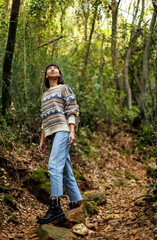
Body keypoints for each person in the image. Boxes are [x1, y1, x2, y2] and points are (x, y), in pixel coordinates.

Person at [37, 63, 83, 224]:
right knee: (64, 167)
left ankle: (55, 207)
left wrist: (71, 131)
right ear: (46, 75)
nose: (52, 69)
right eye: (49, 68)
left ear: (59, 73)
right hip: (52, 133)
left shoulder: (65, 88)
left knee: (54, 166)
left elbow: (72, 109)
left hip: (63, 130)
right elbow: (44, 120)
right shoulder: (44, 95)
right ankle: (76, 200)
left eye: (55, 68)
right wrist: (42, 140)